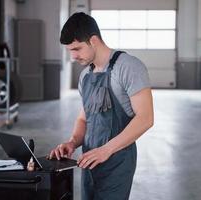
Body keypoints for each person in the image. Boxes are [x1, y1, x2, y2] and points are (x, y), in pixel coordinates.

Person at [49, 12, 154, 200]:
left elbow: (146, 119)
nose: (73, 56)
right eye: (69, 51)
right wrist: (73, 142)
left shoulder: (128, 67)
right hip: (89, 162)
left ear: (94, 40)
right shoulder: (85, 76)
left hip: (117, 164)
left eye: (77, 49)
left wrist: (106, 150)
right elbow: (84, 118)